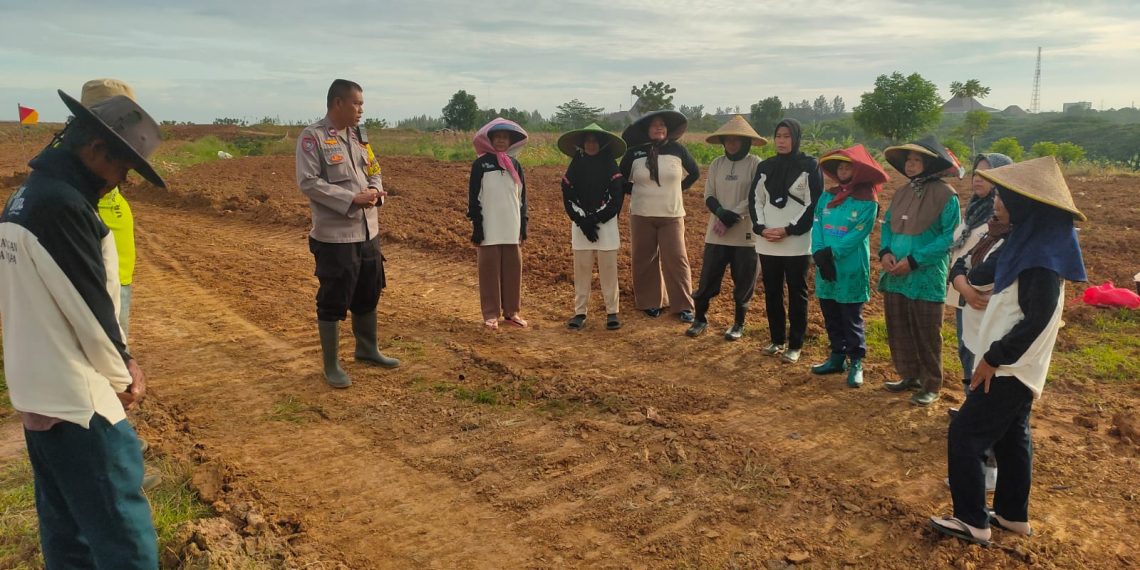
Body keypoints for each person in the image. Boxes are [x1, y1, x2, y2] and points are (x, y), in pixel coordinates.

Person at [0, 88, 164, 569]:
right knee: (123, 538)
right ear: (95, 150)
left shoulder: (23, 198)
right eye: (123, 168)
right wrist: (123, 376)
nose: (121, 182)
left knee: (68, 533)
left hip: (36, 394)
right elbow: (88, 309)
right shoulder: (64, 206)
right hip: (80, 404)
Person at [931, 157, 1087, 546]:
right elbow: (973, 271)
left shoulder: (1040, 261)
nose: (996, 202)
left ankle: (972, 520)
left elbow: (1036, 320)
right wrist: (963, 272)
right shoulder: (1029, 242)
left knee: (965, 435)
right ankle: (1012, 515)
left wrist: (994, 357)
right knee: (1012, 437)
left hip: (1008, 367)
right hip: (1017, 367)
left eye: (1003, 196)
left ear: (1027, 203)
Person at [297, 79, 399, 389]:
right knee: (334, 298)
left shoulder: (360, 137)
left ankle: (367, 349)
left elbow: (375, 169)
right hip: (336, 236)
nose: (361, 110)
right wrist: (350, 199)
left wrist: (374, 190)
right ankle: (331, 365)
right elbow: (309, 182)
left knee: (369, 291)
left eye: (362, 104)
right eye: (356, 104)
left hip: (368, 230)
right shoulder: (312, 138)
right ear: (338, 103)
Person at [878, 136, 962, 406]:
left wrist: (914, 260)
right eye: (909, 160)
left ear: (929, 164)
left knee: (926, 331)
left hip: (925, 274)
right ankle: (908, 375)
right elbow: (888, 225)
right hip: (895, 273)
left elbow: (950, 237)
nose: (911, 165)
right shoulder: (902, 192)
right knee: (899, 326)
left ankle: (931, 385)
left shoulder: (947, 195)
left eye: (917, 160)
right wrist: (886, 252)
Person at [946, 184, 1014, 490]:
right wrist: (965, 287)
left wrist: (965, 282)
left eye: (1000, 199)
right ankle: (986, 468)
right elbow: (960, 264)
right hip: (977, 325)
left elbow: (980, 275)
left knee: (986, 405)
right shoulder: (992, 234)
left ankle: (987, 471)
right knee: (977, 391)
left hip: (993, 331)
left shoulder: (1013, 243)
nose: (994, 204)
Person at [810, 144, 888, 387]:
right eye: (840, 167)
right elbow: (818, 224)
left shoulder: (868, 201)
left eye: (848, 167)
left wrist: (832, 253)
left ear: (858, 172)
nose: (843, 171)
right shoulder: (827, 195)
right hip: (825, 263)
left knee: (850, 316)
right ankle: (836, 356)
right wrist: (820, 254)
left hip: (850, 265)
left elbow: (858, 234)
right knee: (830, 312)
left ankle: (856, 362)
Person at [748, 118, 823, 363]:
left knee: (797, 292)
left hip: (797, 241)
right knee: (771, 291)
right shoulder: (765, 167)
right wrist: (760, 228)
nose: (781, 141)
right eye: (778, 136)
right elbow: (756, 199)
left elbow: (813, 203)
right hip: (768, 239)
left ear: (796, 138)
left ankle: (795, 344)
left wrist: (789, 230)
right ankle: (777, 339)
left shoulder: (810, 166)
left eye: (787, 136)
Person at [686, 115, 765, 340]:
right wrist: (720, 213)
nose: (731, 144)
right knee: (708, 278)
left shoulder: (755, 163)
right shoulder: (717, 164)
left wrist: (735, 213)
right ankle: (700, 318)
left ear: (745, 142)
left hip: (745, 234)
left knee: (743, 280)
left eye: (736, 140)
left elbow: (755, 195)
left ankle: (739, 323)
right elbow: (708, 194)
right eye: (728, 140)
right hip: (717, 233)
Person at [620, 110, 700, 323]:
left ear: (667, 130)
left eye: (662, 125)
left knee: (676, 258)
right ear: (647, 130)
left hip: (671, 215)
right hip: (641, 214)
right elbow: (620, 179)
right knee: (644, 259)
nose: (659, 128)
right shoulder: (634, 154)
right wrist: (635, 191)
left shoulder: (677, 150)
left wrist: (677, 189)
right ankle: (650, 302)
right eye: (654, 125)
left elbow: (695, 173)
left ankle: (683, 305)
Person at [948, 153, 1012, 389]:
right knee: (966, 350)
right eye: (976, 173)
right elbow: (961, 259)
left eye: (987, 174)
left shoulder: (1002, 221)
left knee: (983, 350)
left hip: (985, 299)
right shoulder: (972, 211)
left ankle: (977, 407)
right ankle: (969, 403)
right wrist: (963, 287)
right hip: (963, 294)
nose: (978, 179)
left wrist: (967, 286)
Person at [558, 123, 626, 331]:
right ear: (582, 144)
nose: (591, 144)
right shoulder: (576, 164)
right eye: (587, 141)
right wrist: (582, 221)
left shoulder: (611, 166)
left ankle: (612, 311)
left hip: (605, 225)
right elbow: (568, 195)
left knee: (608, 270)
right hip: (581, 225)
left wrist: (594, 219)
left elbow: (615, 200)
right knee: (582, 270)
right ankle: (580, 312)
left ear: (602, 144)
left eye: (595, 141)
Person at [468, 118, 529, 330]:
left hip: (511, 226)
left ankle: (512, 312)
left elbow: (522, 199)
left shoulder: (515, 165)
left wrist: (523, 226)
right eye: (497, 137)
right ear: (490, 140)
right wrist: (477, 226)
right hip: (489, 226)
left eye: (505, 137)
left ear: (510, 141)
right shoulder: (480, 165)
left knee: (513, 268)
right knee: (489, 270)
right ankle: (491, 314)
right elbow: (473, 198)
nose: (501, 141)